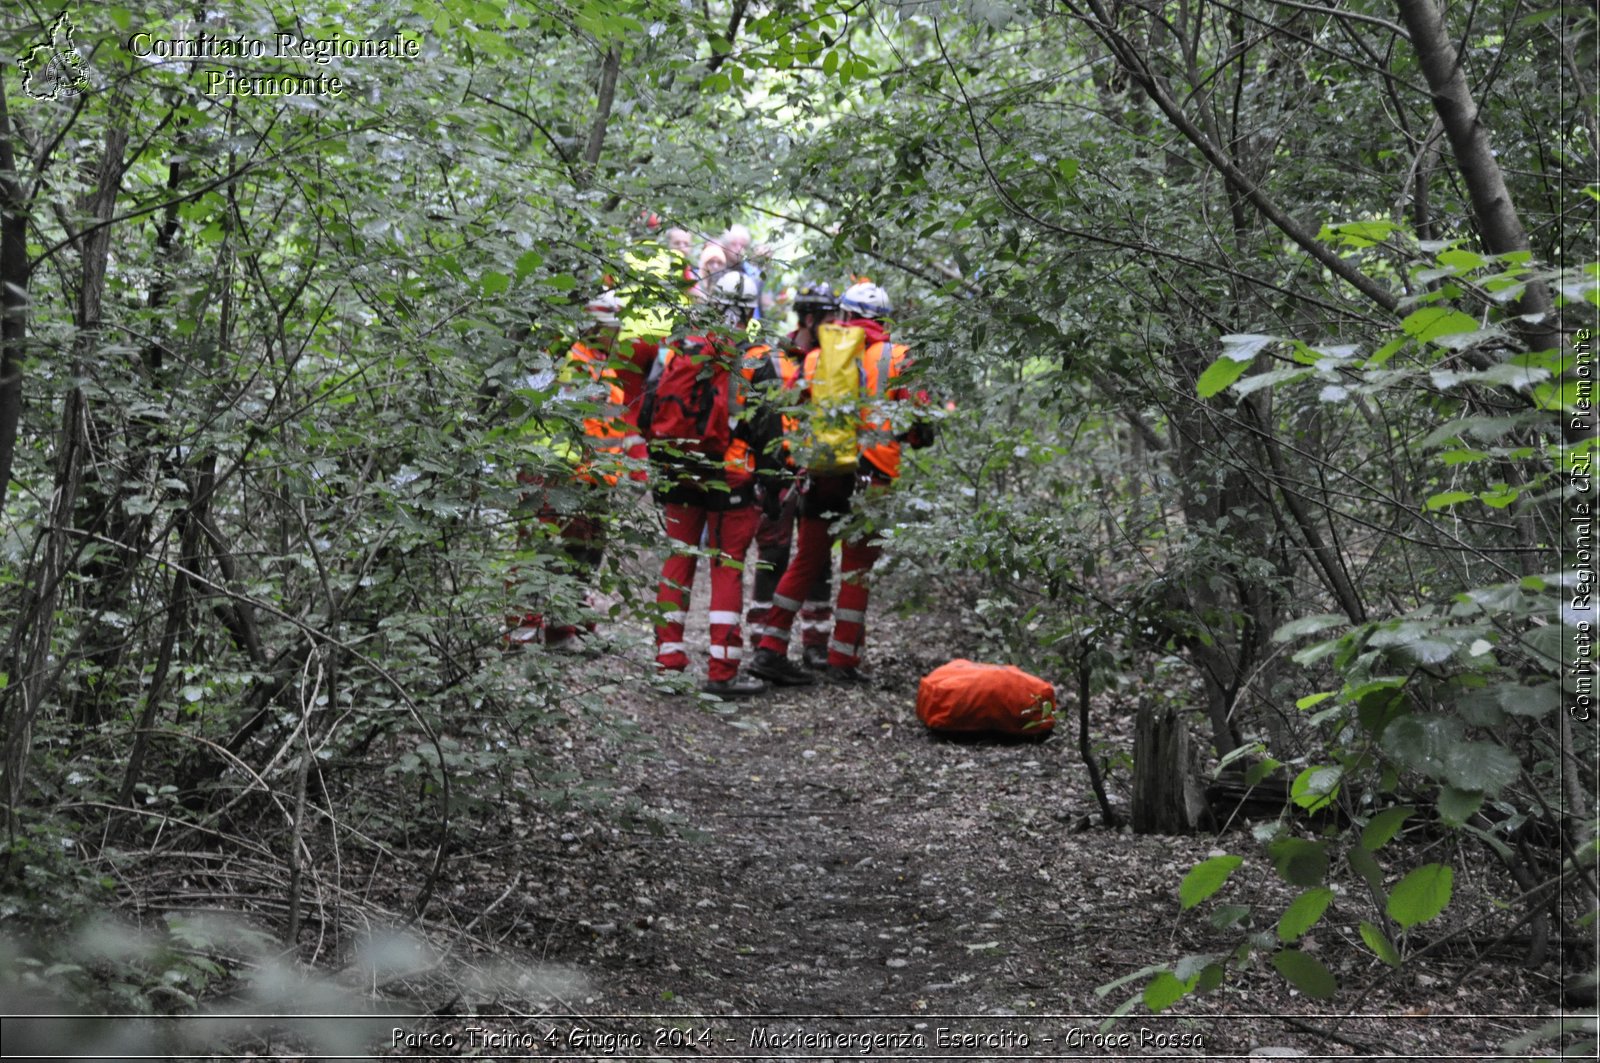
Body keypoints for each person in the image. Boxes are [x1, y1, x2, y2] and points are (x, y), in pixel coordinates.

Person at [747, 280, 934, 685]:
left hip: (823, 473)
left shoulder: (817, 358)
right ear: (885, 320)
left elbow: (791, 412)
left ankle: (769, 648)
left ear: (845, 315)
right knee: (856, 570)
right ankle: (842, 659)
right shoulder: (900, 358)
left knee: (806, 562)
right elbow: (920, 426)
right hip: (874, 478)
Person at [643, 270, 784, 696]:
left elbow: (649, 410)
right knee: (726, 567)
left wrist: (659, 469)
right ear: (748, 311)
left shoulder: (681, 348)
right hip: (731, 480)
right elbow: (770, 430)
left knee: (677, 563)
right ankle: (722, 672)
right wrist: (772, 485)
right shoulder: (757, 358)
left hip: (680, 469)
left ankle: (667, 664)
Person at [507, 290, 631, 651]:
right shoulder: (567, 362)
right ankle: (524, 632)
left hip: (592, 482)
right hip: (555, 474)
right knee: (541, 552)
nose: (616, 335)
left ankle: (569, 627)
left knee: (584, 557)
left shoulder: (603, 368)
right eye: (612, 327)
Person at [745, 282, 841, 670]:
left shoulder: (831, 361)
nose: (835, 325)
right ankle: (763, 641)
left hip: (818, 470)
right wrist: (766, 478)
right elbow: (759, 423)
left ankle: (816, 642)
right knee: (774, 555)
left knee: (818, 560)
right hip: (780, 473)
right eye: (829, 318)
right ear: (810, 319)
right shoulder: (774, 359)